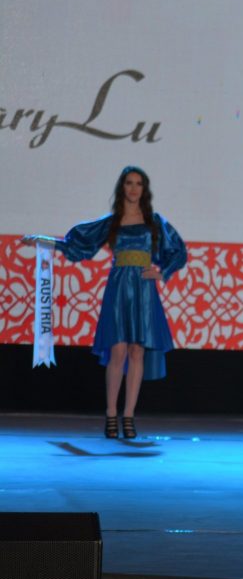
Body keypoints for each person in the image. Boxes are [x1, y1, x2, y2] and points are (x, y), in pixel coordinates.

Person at [23, 166, 188, 440]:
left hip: (144, 290)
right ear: (122, 187)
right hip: (119, 286)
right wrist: (46, 242)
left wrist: (162, 272)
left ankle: (129, 416)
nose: (133, 188)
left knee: (137, 351)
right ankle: (111, 413)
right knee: (118, 350)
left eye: (138, 183)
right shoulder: (112, 222)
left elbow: (179, 252)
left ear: (144, 189)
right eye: (129, 183)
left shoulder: (155, 222)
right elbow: (78, 245)